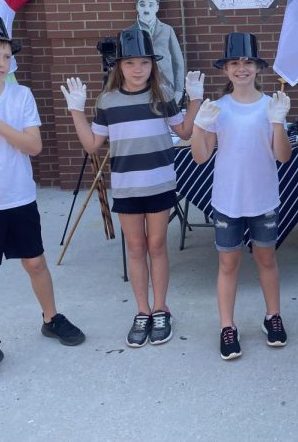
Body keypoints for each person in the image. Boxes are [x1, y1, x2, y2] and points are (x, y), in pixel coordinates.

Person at [0, 15, 84, 386]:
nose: (2, 63)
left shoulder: (21, 95)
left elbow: (33, 146)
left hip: (19, 196)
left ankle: (51, 318)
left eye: (6, 55)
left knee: (35, 262)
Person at [60, 29, 201, 348]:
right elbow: (93, 145)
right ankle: (142, 311)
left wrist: (195, 100)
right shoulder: (107, 101)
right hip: (126, 188)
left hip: (159, 184)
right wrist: (75, 111)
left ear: (153, 65)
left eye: (144, 62)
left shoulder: (162, 94)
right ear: (118, 66)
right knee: (135, 248)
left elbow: (184, 130)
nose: (138, 69)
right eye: (130, 63)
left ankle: (161, 308)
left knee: (157, 245)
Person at [191, 32, 292, 360]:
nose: (241, 68)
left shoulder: (270, 105)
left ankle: (272, 316)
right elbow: (200, 156)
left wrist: (278, 124)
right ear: (225, 70)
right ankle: (226, 325)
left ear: (258, 67)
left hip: (262, 198)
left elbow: (283, 156)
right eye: (234, 63)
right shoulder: (217, 108)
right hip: (228, 200)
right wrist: (198, 126)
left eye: (248, 62)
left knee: (266, 259)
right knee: (228, 262)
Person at [131, 0, 186, 102]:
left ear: (157, 7)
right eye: (142, 4)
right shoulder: (130, 33)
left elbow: (178, 62)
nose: (146, 9)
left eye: (150, 4)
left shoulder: (167, 30)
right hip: (141, 88)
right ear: (137, 6)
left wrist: (178, 90)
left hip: (167, 86)